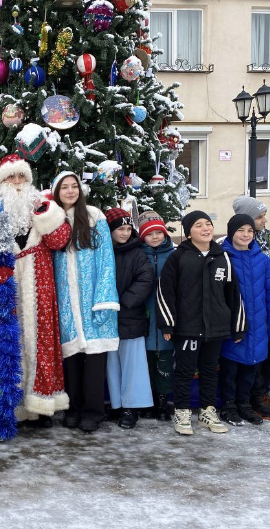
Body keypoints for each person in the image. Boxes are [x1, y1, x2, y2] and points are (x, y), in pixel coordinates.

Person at [0, 154, 71, 429]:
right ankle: (18, 408)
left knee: (42, 345)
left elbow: (59, 240)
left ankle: (40, 406)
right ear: (1, 182)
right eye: (11, 177)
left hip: (40, 286)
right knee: (12, 348)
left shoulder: (43, 207)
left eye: (21, 177)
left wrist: (45, 214)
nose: (17, 183)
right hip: (9, 289)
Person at [156, 211, 246, 436]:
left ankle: (207, 411)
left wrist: (238, 325)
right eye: (198, 225)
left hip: (216, 327)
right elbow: (165, 292)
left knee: (209, 370)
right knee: (185, 371)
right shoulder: (178, 258)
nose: (206, 228)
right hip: (187, 327)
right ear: (188, 233)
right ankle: (182, 411)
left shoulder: (222, 257)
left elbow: (233, 294)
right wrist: (168, 323)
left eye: (208, 224)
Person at [51, 171, 119, 433]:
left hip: (92, 300)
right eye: (64, 187)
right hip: (66, 300)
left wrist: (103, 298)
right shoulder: (51, 220)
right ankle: (73, 408)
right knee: (72, 359)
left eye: (74, 186)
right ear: (57, 192)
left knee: (94, 359)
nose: (70, 191)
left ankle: (93, 411)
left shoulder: (94, 217)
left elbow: (105, 260)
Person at [217, 214, 270, 426]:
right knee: (230, 371)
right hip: (233, 328)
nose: (245, 235)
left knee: (250, 369)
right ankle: (228, 404)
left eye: (250, 231)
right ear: (231, 232)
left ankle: (244, 404)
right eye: (240, 231)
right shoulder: (222, 258)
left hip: (258, 327)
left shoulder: (263, 261)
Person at [104, 207, 155, 429]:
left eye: (127, 229)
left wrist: (124, 301)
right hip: (106, 316)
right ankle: (116, 404)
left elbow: (145, 279)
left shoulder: (137, 252)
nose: (124, 233)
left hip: (130, 315)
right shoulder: (103, 251)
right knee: (111, 363)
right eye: (119, 229)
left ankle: (131, 407)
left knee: (133, 364)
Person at [139, 211, 176, 420]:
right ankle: (148, 401)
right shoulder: (138, 254)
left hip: (166, 321)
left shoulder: (173, 255)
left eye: (158, 232)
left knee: (164, 364)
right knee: (145, 363)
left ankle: (162, 402)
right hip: (144, 319)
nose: (154, 237)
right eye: (149, 233)